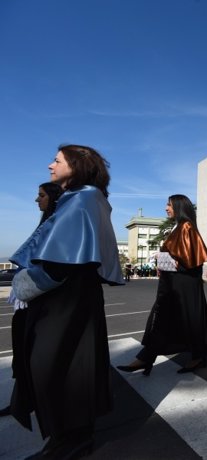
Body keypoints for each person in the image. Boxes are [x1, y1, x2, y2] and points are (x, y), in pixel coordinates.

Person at [9, 144, 124, 458]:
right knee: (61, 366)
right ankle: (66, 438)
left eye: (57, 160)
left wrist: (23, 286)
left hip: (67, 300)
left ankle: (72, 440)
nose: (50, 165)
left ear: (76, 165)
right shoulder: (84, 197)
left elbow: (62, 262)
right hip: (70, 297)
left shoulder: (83, 198)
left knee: (58, 367)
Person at [117, 195, 207, 376]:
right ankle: (146, 358)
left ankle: (196, 356)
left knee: (185, 321)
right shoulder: (178, 227)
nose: (166, 208)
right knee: (161, 321)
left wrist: (162, 259)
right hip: (172, 286)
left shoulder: (186, 227)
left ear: (178, 207)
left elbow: (187, 261)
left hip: (182, 286)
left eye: (169, 205)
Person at [0, 183, 63, 420]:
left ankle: (28, 401)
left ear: (53, 198)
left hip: (39, 301)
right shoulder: (46, 224)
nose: (37, 200)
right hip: (29, 299)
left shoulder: (54, 224)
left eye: (41, 195)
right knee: (22, 351)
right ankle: (23, 400)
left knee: (30, 352)